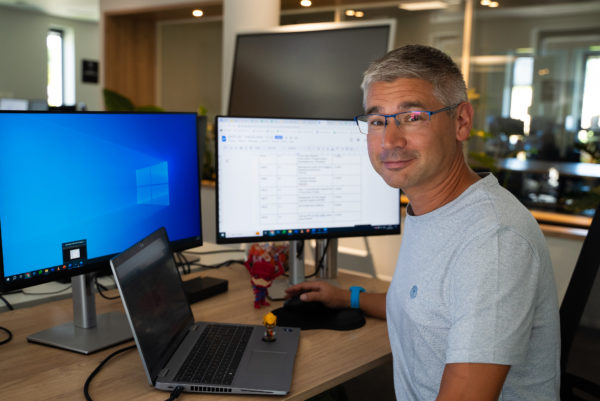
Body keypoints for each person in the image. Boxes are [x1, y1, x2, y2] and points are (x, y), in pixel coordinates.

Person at [286, 44, 560, 401]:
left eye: (412, 116)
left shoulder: (492, 241)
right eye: (376, 120)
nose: (390, 140)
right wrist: (347, 297)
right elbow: (426, 305)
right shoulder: (435, 209)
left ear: (461, 121)